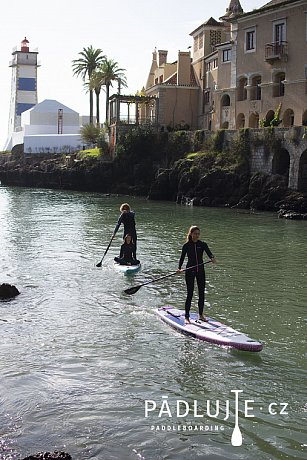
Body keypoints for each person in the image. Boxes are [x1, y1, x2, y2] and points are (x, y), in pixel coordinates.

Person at [177, 225, 216, 324]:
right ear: (191, 234)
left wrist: (212, 258)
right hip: (190, 271)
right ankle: (187, 317)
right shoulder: (186, 246)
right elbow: (182, 258)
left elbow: (209, 253)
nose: (197, 235)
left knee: (201, 293)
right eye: (195, 234)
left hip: (200, 271)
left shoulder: (203, 244)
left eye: (198, 234)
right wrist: (179, 268)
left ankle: (201, 315)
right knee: (190, 294)